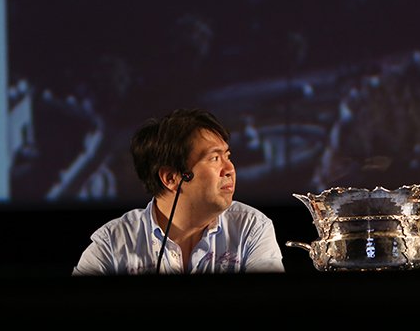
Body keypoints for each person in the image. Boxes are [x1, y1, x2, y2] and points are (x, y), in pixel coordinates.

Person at [73, 108, 285, 275]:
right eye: (214, 158)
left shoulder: (251, 228)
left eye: (227, 156)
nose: (229, 169)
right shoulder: (113, 243)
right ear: (171, 178)